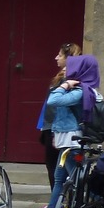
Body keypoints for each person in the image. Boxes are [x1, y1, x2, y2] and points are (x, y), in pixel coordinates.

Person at [32, 53, 102, 208]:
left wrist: (65, 85)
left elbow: (53, 100)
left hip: (72, 141)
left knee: (79, 180)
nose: (65, 69)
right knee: (59, 177)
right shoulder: (81, 89)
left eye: (71, 66)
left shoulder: (79, 91)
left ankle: (98, 202)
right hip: (66, 139)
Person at [37, 43, 79, 189]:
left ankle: (63, 202)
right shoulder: (61, 77)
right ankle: (56, 203)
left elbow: (59, 106)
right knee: (55, 169)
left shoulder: (69, 80)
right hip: (50, 126)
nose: (56, 58)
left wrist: (55, 132)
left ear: (68, 58)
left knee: (58, 168)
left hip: (58, 129)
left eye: (60, 55)